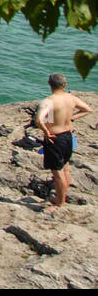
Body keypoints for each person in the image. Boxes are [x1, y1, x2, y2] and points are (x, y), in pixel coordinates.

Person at [35, 72, 92, 209]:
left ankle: (59, 202)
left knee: (58, 173)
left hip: (55, 139)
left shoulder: (49, 101)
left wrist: (46, 132)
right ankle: (62, 197)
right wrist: (72, 118)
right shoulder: (71, 98)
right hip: (68, 136)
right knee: (65, 168)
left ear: (50, 84)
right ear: (64, 85)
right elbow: (88, 110)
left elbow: (38, 119)